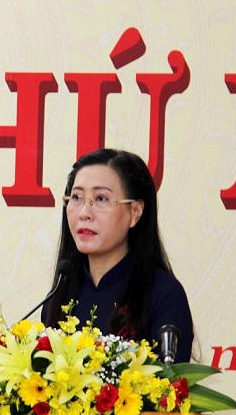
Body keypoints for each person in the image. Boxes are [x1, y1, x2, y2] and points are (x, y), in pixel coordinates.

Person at [41, 148, 194, 363]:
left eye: (101, 198)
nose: (84, 213)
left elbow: (170, 380)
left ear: (135, 212)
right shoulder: (60, 294)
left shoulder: (163, 295)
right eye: (76, 197)